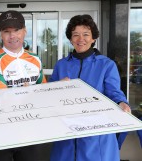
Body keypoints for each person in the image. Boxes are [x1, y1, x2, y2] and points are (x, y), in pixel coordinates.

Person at [49, 14, 131, 161]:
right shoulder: (61, 65)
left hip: (97, 137)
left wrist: (121, 102)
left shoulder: (106, 65)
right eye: (76, 35)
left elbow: (114, 92)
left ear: (93, 38)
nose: (81, 39)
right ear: (70, 39)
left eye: (86, 34)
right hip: (66, 135)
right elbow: (49, 96)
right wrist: (55, 88)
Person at [0, 10, 46, 161]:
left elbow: (43, 93)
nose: (12, 36)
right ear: (1, 34)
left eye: (17, 30)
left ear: (25, 31)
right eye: (7, 31)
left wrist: (27, 95)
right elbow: (2, 101)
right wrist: (26, 95)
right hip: (2, 132)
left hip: (30, 132)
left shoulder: (35, 60)